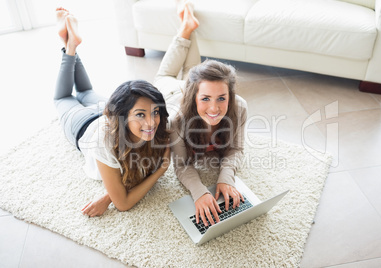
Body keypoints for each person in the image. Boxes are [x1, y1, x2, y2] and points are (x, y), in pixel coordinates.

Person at [54, 8, 170, 217]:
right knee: (63, 98)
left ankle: (71, 45)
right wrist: (160, 171)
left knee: (86, 91)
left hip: (106, 108)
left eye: (155, 112)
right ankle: (69, 47)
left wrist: (107, 195)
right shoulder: (104, 142)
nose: (151, 122)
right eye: (141, 115)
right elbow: (123, 203)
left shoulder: (159, 128)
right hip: (83, 125)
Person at [154, 2, 248, 227]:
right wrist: (200, 192)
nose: (214, 109)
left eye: (222, 98)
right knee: (165, 74)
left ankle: (188, 24)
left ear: (231, 95)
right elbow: (181, 164)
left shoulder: (240, 108)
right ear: (193, 97)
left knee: (193, 70)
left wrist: (226, 179)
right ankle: (185, 28)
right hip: (168, 90)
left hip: (194, 85)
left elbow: (236, 149)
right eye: (205, 99)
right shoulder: (176, 120)